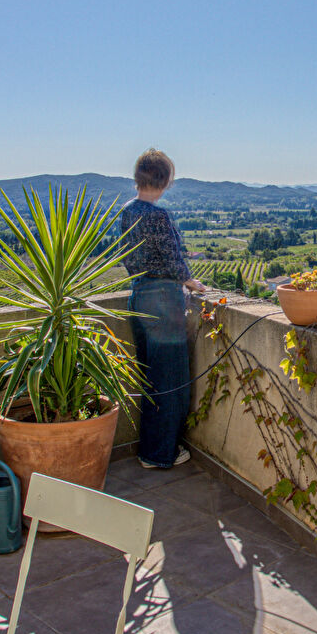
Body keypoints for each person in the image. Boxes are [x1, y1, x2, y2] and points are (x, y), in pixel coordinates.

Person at [119, 149, 205, 468]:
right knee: (170, 381)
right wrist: (191, 281)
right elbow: (172, 259)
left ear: (137, 177)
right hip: (163, 302)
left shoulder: (127, 210)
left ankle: (150, 449)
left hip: (139, 296)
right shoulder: (158, 215)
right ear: (166, 181)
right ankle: (159, 453)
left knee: (151, 379)